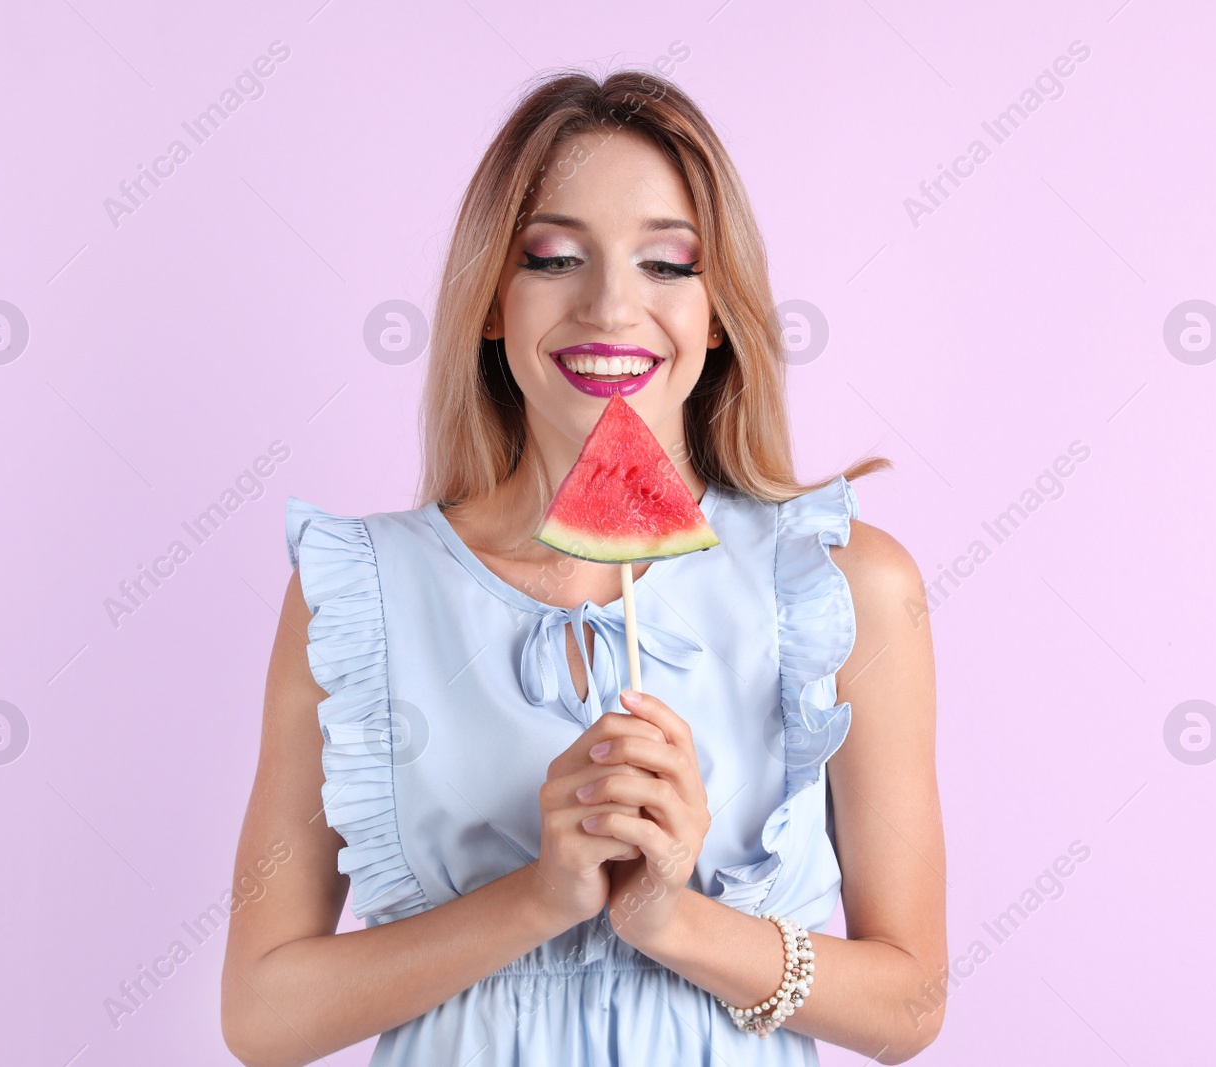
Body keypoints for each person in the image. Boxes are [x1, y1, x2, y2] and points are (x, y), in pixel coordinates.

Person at [220, 68, 945, 1067]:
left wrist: (671, 919)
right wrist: (538, 896)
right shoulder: (359, 593)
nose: (610, 305)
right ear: (490, 300)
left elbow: (909, 1003)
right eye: (555, 257)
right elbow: (261, 1013)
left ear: (719, 309)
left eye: (667, 264)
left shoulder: (844, 584)